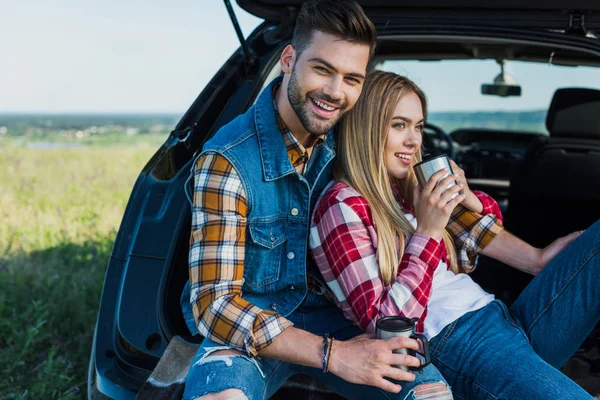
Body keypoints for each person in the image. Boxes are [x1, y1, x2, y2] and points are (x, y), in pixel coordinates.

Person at [180, 2, 454, 400]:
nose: (334, 92)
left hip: (340, 316)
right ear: (289, 60)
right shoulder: (227, 161)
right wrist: (336, 355)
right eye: (322, 70)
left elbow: (422, 188)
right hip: (251, 325)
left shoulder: (352, 136)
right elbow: (214, 304)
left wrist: (532, 255)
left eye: (352, 79)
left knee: (431, 393)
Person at [310, 69, 600, 399]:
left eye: (418, 126)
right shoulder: (341, 206)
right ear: (366, 129)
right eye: (399, 125)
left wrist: (535, 257)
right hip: (458, 341)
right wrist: (429, 231)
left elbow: (476, 231)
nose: (414, 140)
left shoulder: (406, 189)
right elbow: (384, 324)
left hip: (501, 319)